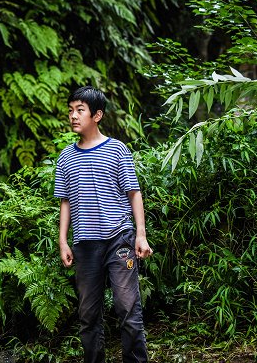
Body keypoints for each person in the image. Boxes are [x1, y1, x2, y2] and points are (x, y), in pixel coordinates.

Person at [54, 86, 153, 363]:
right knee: (87, 316)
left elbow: (134, 193)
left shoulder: (117, 149)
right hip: (85, 246)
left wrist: (140, 236)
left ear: (97, 115)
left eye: (80, 110)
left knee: (128, 310)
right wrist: (63, 241)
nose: (73, 116)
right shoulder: (66, 157)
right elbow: (65, 202)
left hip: (119, 239)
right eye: (71, 110)